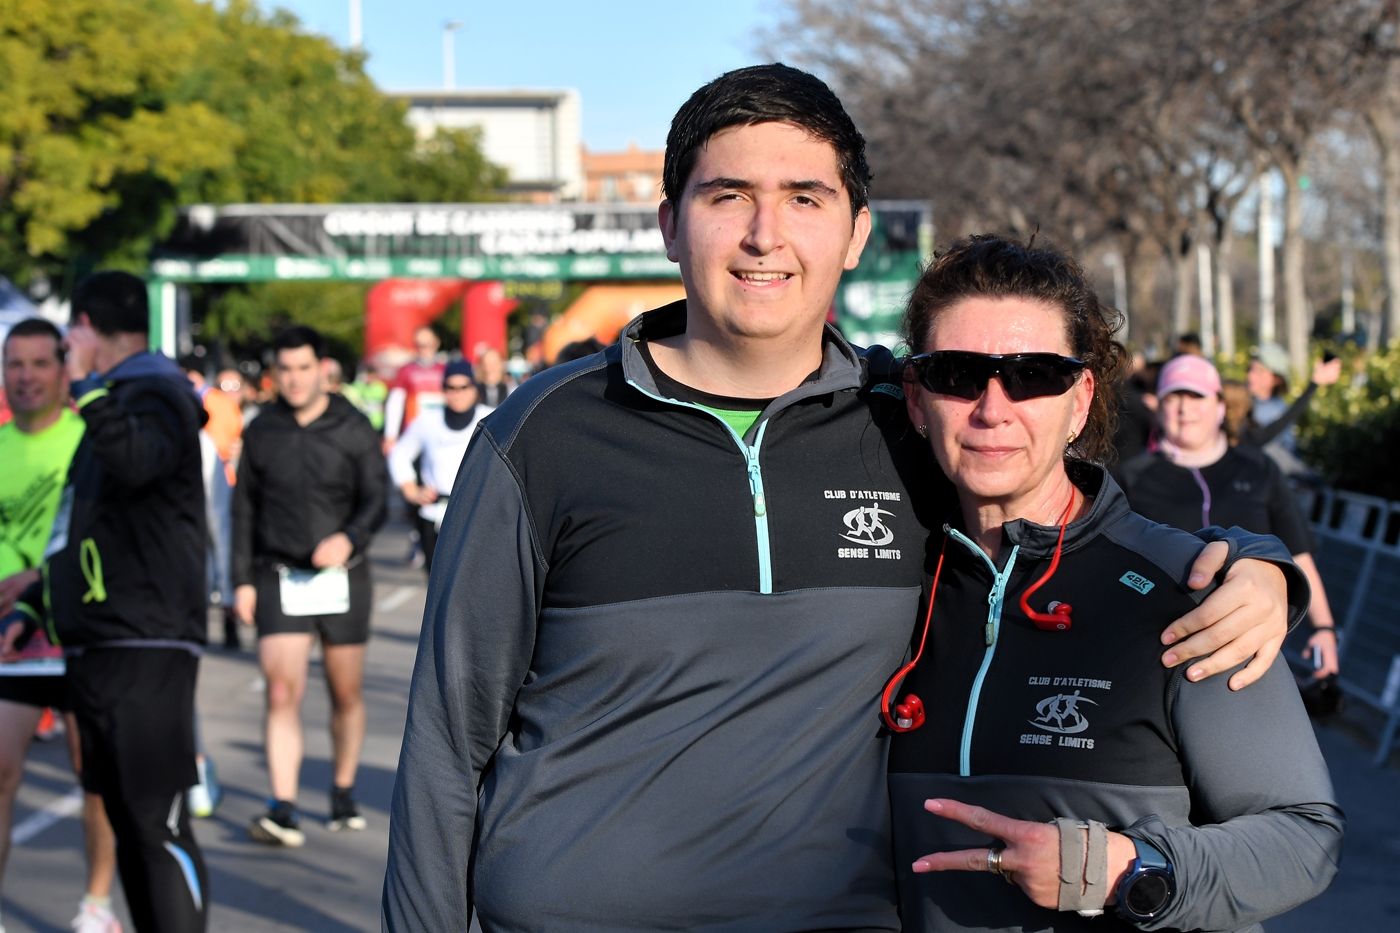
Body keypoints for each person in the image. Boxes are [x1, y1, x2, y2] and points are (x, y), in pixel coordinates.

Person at [383, 64, 1299, 931]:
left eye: (805, 200)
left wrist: (1260, 570)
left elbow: (1084, 513)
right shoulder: (540, 433)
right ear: (669, 224)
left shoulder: (914, 411)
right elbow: (445, 740)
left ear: (857, 233)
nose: (764, 236)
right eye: (728, 195)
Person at [890, 235, 1341, 932]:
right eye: (956, 373)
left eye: (1034, 373)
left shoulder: (1194, 593)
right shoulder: (886, 577)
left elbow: (1303, 839)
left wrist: (1128, 869)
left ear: (1080, 400)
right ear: (917, 400)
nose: (992, 407)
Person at [3, 273, 210, 932]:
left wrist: (90, 388)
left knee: (157, 820)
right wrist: (37, 601)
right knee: (125, 814)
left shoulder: (157, 391)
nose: (66, 352)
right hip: (100, 640)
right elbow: (82, 529)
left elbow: (140, 462)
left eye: (69, 337)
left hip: (148, 641)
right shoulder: (120, 397)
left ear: (87, 327)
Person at [233, 326, 386, 848]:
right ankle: (283, 807)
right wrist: (240, 581)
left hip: (344, 577)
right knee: (282, 691)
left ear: (322, 368)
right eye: (285, 370)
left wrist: (350, 536)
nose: (294, 380)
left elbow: (376, 498)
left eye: (303, 368)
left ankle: (342, 791)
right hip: (280, 574)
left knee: (344, 693)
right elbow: (243, 510)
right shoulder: (261, 430)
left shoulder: (353, 426)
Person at [0, 319, 122, 933]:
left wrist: (38, 581)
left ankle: (96, 903)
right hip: (10, 642)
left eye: (38, 364)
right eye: (13, 364)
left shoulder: (87, 441)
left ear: (61, 370)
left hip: (80, 632)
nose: (25, 376)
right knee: (1, 769)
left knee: (92, 773)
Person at [1119, 353, 1341, 676]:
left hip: (1256, 657)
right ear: (1158, 406)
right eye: (1173, 397)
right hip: (1160, 659)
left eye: (1196, 396)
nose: (1184, 408)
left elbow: (1299, 554)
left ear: (1220, 405)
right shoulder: (1130, 477)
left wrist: (1324, 629)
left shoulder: (1259, 469)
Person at [388, 360, 492, 574]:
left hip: (475, 514)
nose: (457, 393)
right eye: (450, 388)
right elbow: (400, 453)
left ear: (474, 388)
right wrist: (410, 489)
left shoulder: (491, 417)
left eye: (464, 387)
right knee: (436, 583)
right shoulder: (428, 420)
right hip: (434, 513)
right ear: (443, 390)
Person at [1244, 342, 1341, 475]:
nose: (1251, 376)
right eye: (1250, 369)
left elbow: (1273, 446)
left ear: (1276, 379)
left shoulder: (1277, 409)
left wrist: (1314, 383)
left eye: (1259, 371)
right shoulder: (1244, 402)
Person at [382, 326, 445, 450]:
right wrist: (390, 435)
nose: (423, 350)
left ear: (436, 343)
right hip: (413, 433)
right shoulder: (405, 371)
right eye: (419, 345)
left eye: (427, 345)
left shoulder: (445, 370)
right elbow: (395, 403)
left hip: (440, 433)